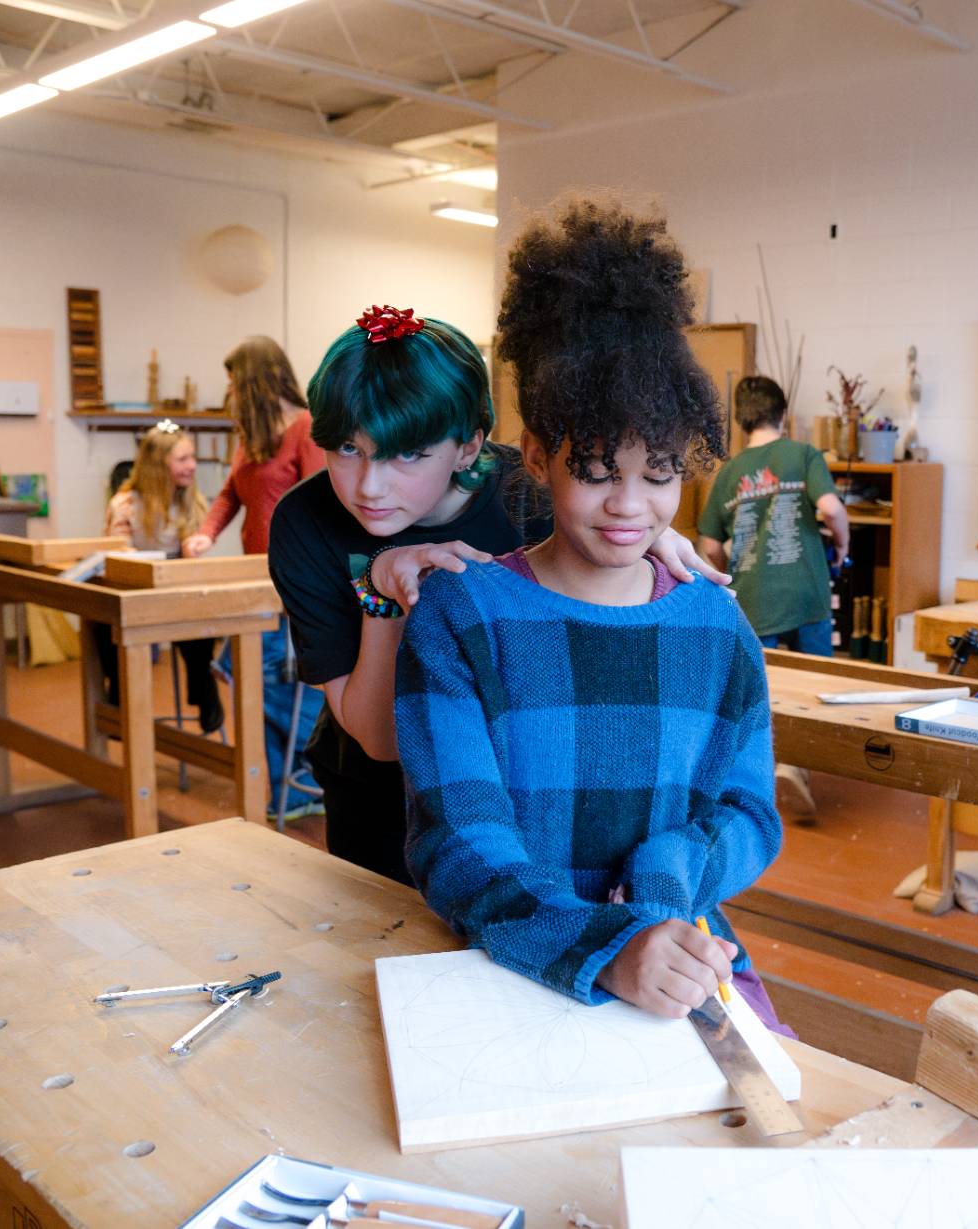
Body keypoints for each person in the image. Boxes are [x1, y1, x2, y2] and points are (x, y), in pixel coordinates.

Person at [395, 198, 790, 1033]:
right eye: (597, 469)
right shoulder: (465, 618)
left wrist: (675, 867)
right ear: (537, 455)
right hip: (510, 967)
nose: (629, 505)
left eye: (659, 473)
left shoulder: (715, 630)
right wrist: (606, 944)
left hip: (675, 964)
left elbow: (751, 813)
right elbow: (456, 843)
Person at [266, 302, 726, 885]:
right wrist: (382, 596)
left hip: (524, 790)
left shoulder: (531, 493)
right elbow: (381, 742)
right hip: (376, 796)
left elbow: (615, 516)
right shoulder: (305, 522)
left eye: (408, 453)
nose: (369, 486)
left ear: (467, 446)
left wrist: (640, 535)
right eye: (348, 450)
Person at [183, 336, 327, 819]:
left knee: (263, 683)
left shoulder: (305, 428)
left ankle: (318, 767)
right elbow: (228, 495)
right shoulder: (252, 436)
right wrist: (205, 534)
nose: (229, 393)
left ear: (254, 382)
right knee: (252, 678)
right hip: (256, 580)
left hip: (296, 585)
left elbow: (320, 504)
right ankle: (289, 794)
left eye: (232, 383)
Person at [697, 375, 849, 820]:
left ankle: (766, 781)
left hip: (755, 597)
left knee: (768, 691)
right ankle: (799, 766)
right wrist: (842, 544)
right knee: (817, 685)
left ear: (742, 421)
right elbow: (832, 509)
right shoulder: (802, 454)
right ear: (784, 414)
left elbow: (708, 546)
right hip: (807, 591)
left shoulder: (728, 472)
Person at [95, 420, 220, 731]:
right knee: (101, 621)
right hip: (134, 593)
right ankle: (121, 694)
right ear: (156, 465)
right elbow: (118, 558)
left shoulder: (190, 502)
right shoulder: (125, 504)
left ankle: (203, 687)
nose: (192, 466)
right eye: (182, 459)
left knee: (201, 612)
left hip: (174, 594)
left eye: (192, 457)